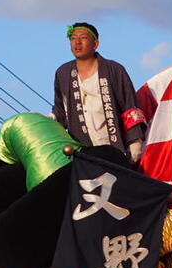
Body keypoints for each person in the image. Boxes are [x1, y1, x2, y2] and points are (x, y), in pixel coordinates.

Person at [53, 22, 147, 163]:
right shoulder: (63, 73)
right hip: (83, 151)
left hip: (114, 147)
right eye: (73, 38)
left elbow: (130, 107)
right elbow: (60, 112)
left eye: (83, 38)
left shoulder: (114, 69)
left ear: (95, 44)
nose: (77, 42)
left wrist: (135, 144)